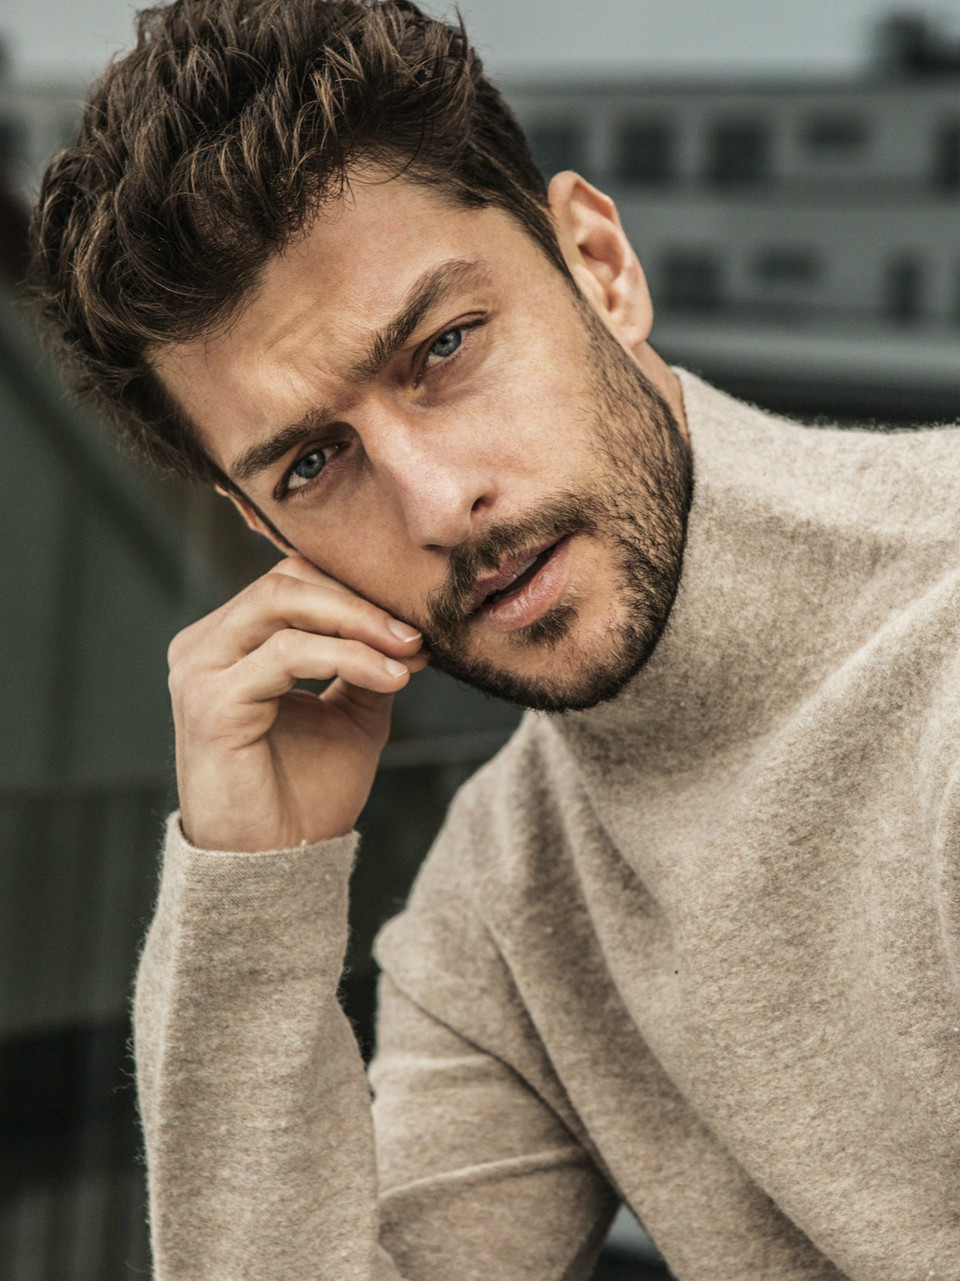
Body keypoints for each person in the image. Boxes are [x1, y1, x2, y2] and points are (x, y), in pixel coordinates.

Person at [28, 1, 960, 1278]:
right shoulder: (509, 895)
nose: (435, 503)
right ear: (262, 529)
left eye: (445, 348)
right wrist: (249, 890)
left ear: (601, 266)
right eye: (313, 465)